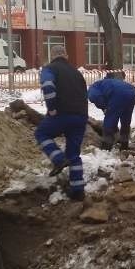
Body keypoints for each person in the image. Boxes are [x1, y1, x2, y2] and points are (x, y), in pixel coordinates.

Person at [35, 45, 88, 200]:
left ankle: (58, 159)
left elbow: (48, 87)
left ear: (52, 56)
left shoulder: (49, 69)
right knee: (74, 154)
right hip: (80, 116)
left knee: (42, 133)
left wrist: (51, 108)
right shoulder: (77, 72)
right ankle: (78, 191)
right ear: (66, 55)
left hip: (61, 114)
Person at [88, 76, 135, 150]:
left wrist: (104, 107)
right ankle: (124, 143)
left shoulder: (92, 89)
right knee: (126, 119)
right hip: (131, 91)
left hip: (118, 92)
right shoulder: (104, 84)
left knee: (110, 120)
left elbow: (95, 97)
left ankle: (107, 145)